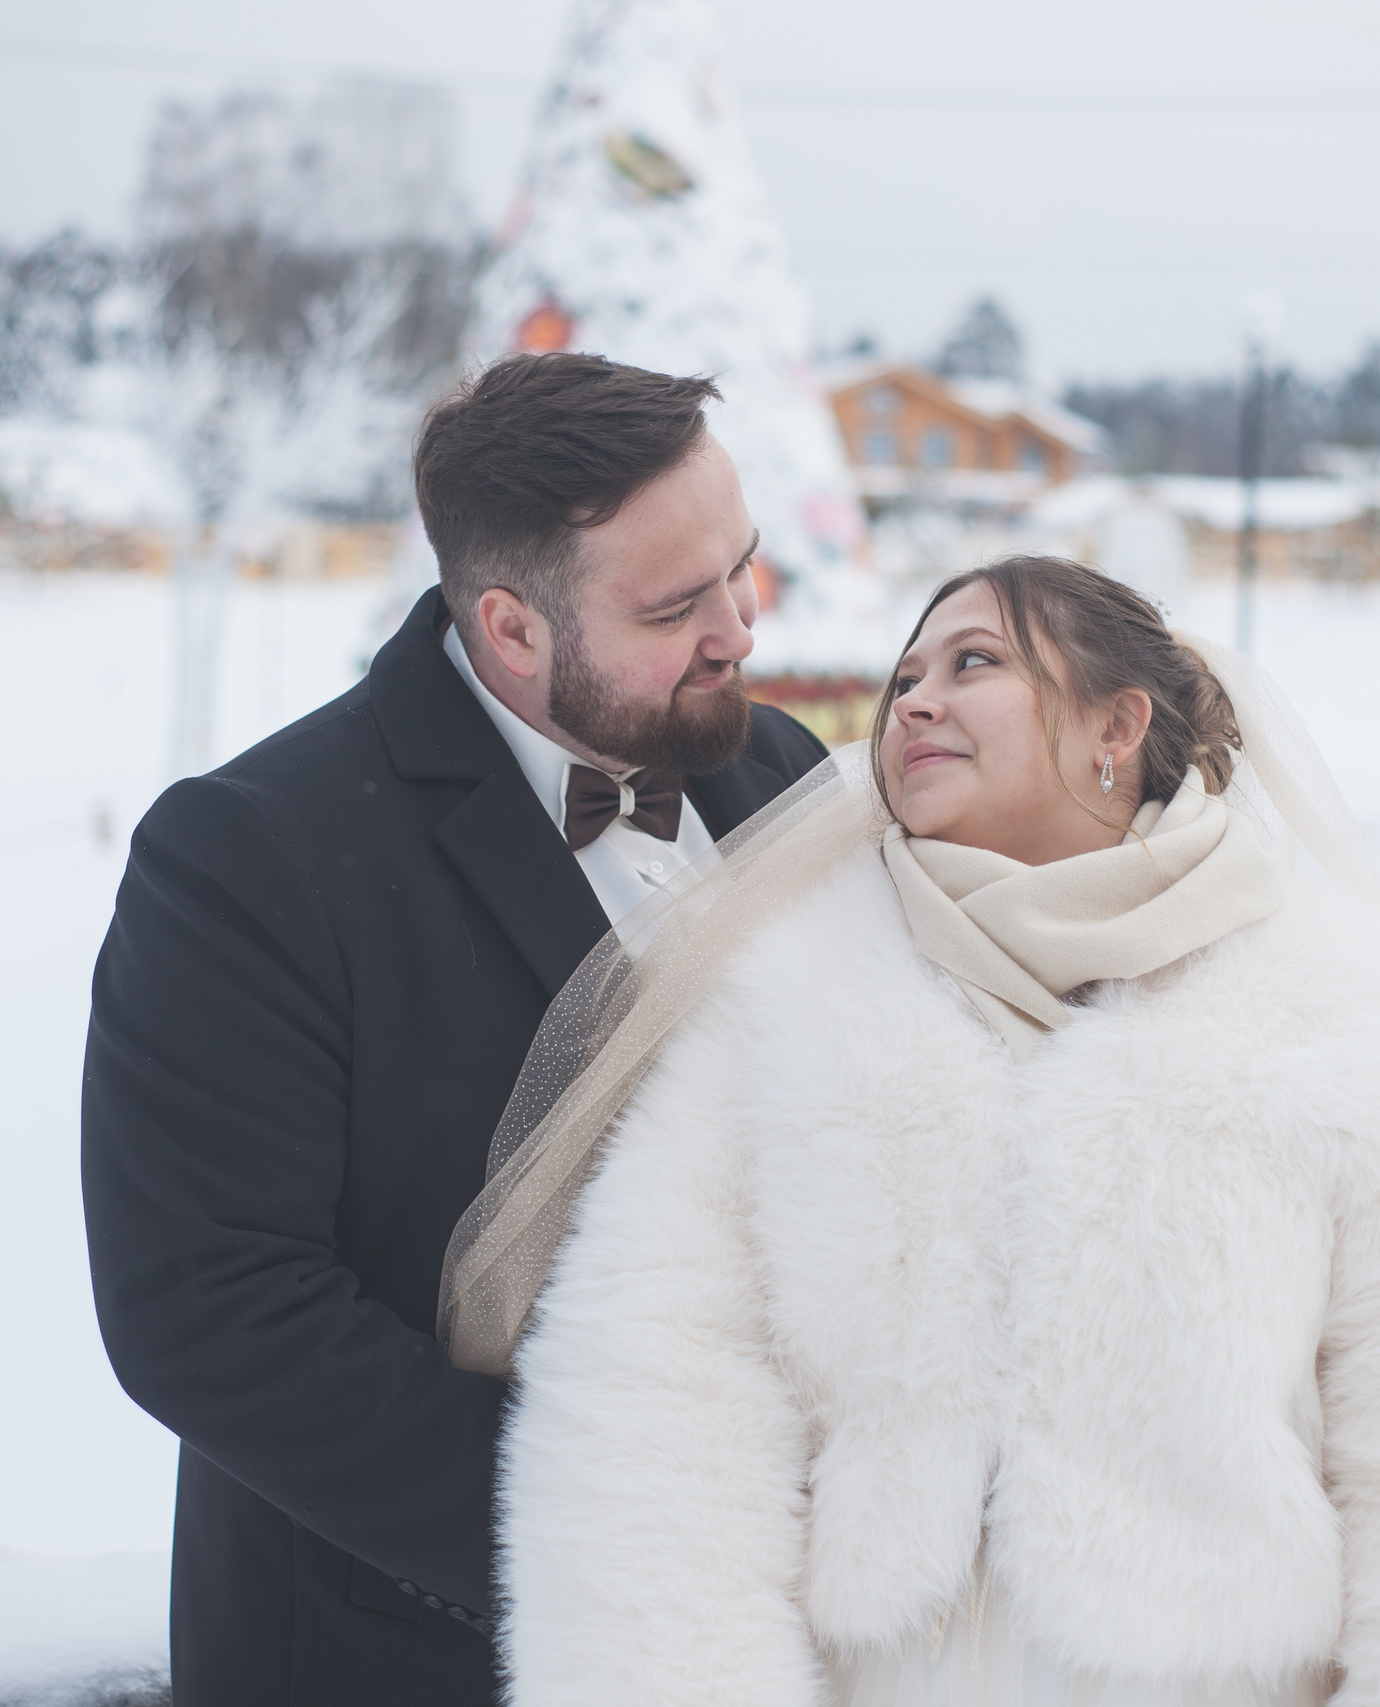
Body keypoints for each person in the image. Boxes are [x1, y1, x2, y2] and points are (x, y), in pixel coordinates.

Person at [463, 556, 1380, 1706]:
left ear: (1119, 723)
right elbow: (655, 1413)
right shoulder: (782, 1007)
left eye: (974, 663)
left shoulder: (1339, 1014)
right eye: (905, 675)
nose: (912, 701)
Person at [80, 352, 831, 1706]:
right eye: (678, 604)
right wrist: (620, 1533)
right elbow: (211, 1310)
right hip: (414, 1647)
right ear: (511, 625)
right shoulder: (250, 856)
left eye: (745, 566)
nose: (742, 628)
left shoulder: (775, 767)